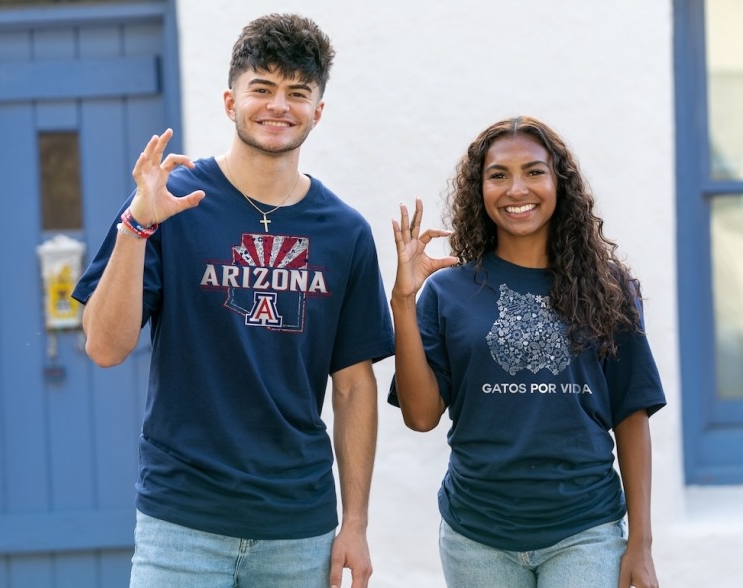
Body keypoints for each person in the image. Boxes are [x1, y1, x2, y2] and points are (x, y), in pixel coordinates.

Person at [72, 13, 393, 588]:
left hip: (299, 527)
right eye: (262, 88)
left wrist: (357, 523)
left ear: (317, 111)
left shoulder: (345, 232)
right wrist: (136, 226)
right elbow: (103, 346)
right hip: (182, 522)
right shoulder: (170, 200)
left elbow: (352, 385)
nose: (279, 106)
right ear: (230, 100)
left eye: (298, 93)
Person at [389, 116, 666, 588]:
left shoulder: (609, 288)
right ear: (480, 189)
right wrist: (403, 302)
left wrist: (640, 544)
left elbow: (631, 415)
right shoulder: (447, 291)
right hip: (476, 533)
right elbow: (420, 416)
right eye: (498, 175)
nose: (517, 189)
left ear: (560, 183)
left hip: (584, 529)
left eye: (534, 171)